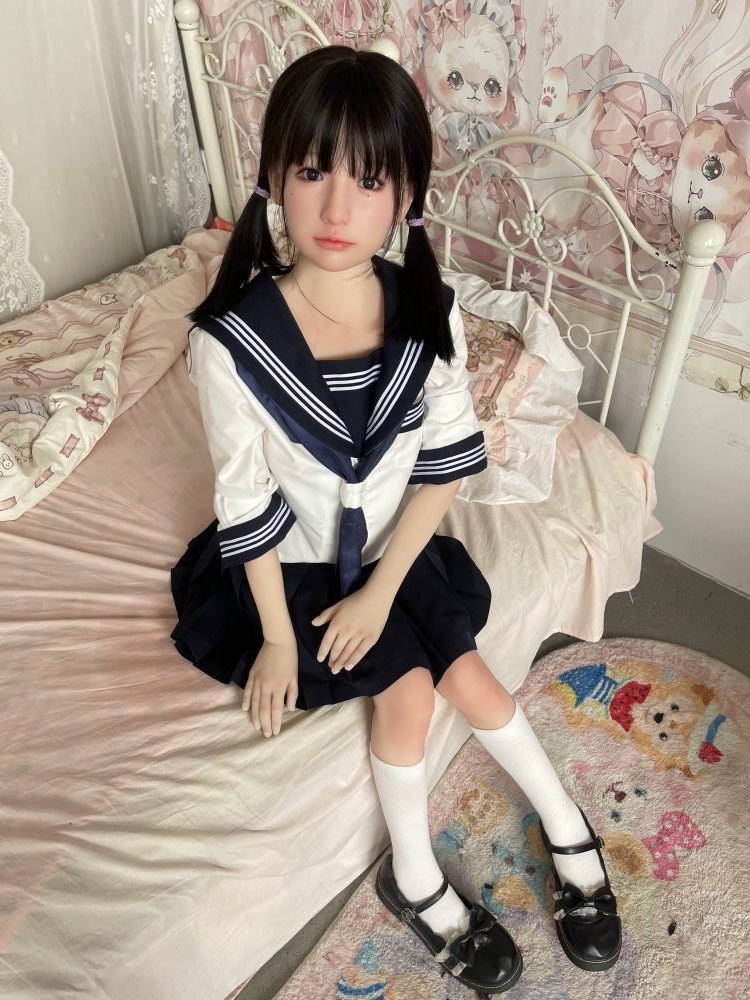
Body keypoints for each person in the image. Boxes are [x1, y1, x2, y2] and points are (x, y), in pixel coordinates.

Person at [169, 45, 621, 992]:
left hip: (395, 555)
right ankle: (415, 882)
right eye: (312, 172)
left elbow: (446, 466)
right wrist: (279, 642)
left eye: (369, 181)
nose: (337, 209)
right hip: (290, 571)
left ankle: (570, 829)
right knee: (411, 694)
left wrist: (381, 591)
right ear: (273, 175)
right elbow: (244, 503)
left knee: (476, 680)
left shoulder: (428, 313)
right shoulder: (230, 342)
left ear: (406, 195)